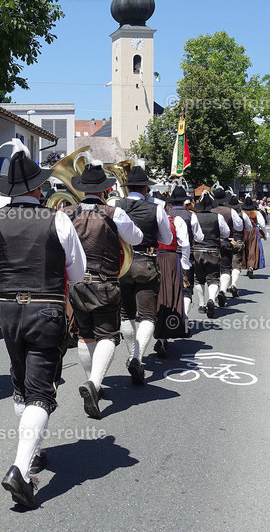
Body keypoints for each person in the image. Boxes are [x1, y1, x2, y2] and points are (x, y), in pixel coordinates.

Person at [0, 141, 85, 508]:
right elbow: (78, 270)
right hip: (47, 309)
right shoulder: (56, 218)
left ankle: (32, 450)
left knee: (21, 381)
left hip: (7, 309)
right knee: (42, 390)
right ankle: (20, 469)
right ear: (38, 188)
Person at [62, 161, 142, 417]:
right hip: (104, 282)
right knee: (107, 336)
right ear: (105, 189)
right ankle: (94, 383)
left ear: (82, 189)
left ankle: (92, 381)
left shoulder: (66, 213)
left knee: (85, 335)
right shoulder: (113, 212)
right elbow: (136, 239)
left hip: (76, 285)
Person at [114, 163, 173, 385]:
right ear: (146, 189)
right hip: (146, 262)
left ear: (128, 188)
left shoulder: (115, 205)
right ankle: (136, 357)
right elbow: (166, 239)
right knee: (148, 315)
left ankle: (132, 355)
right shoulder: (156, 208)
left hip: (122, 265)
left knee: (125, 314)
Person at [165, 185, 204, 325]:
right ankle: (185, 314)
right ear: (183, 202)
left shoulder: (166, 215)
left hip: (167, 255)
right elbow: (199, 237)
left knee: (169, 286)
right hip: (184, 254)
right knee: (187, 287)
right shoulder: (191, 215)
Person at [191, 191, 231, 319]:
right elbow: (226, 232)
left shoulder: (194, 216)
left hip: (197, 249)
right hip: (212, 249)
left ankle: (202, 304)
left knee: (198, 278)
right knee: (213, 277)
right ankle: (211, 300)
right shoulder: (217, 217)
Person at [211, 187, 244, 307]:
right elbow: (239, 226)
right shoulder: (230, 211)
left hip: (210, 243)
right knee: (225, 268)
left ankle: (212, 296)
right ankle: (222, 291)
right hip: (225, 242)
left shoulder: (209, 210)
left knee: (213, 271)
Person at [241, 196, 267, 278]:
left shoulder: (241, 213)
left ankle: (245, 265)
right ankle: (251, 266)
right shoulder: (256, 213)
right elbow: (262, 224)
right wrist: (265, 234)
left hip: (243, 231)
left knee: (244, 250)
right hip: (253, 231)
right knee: (252, 249)